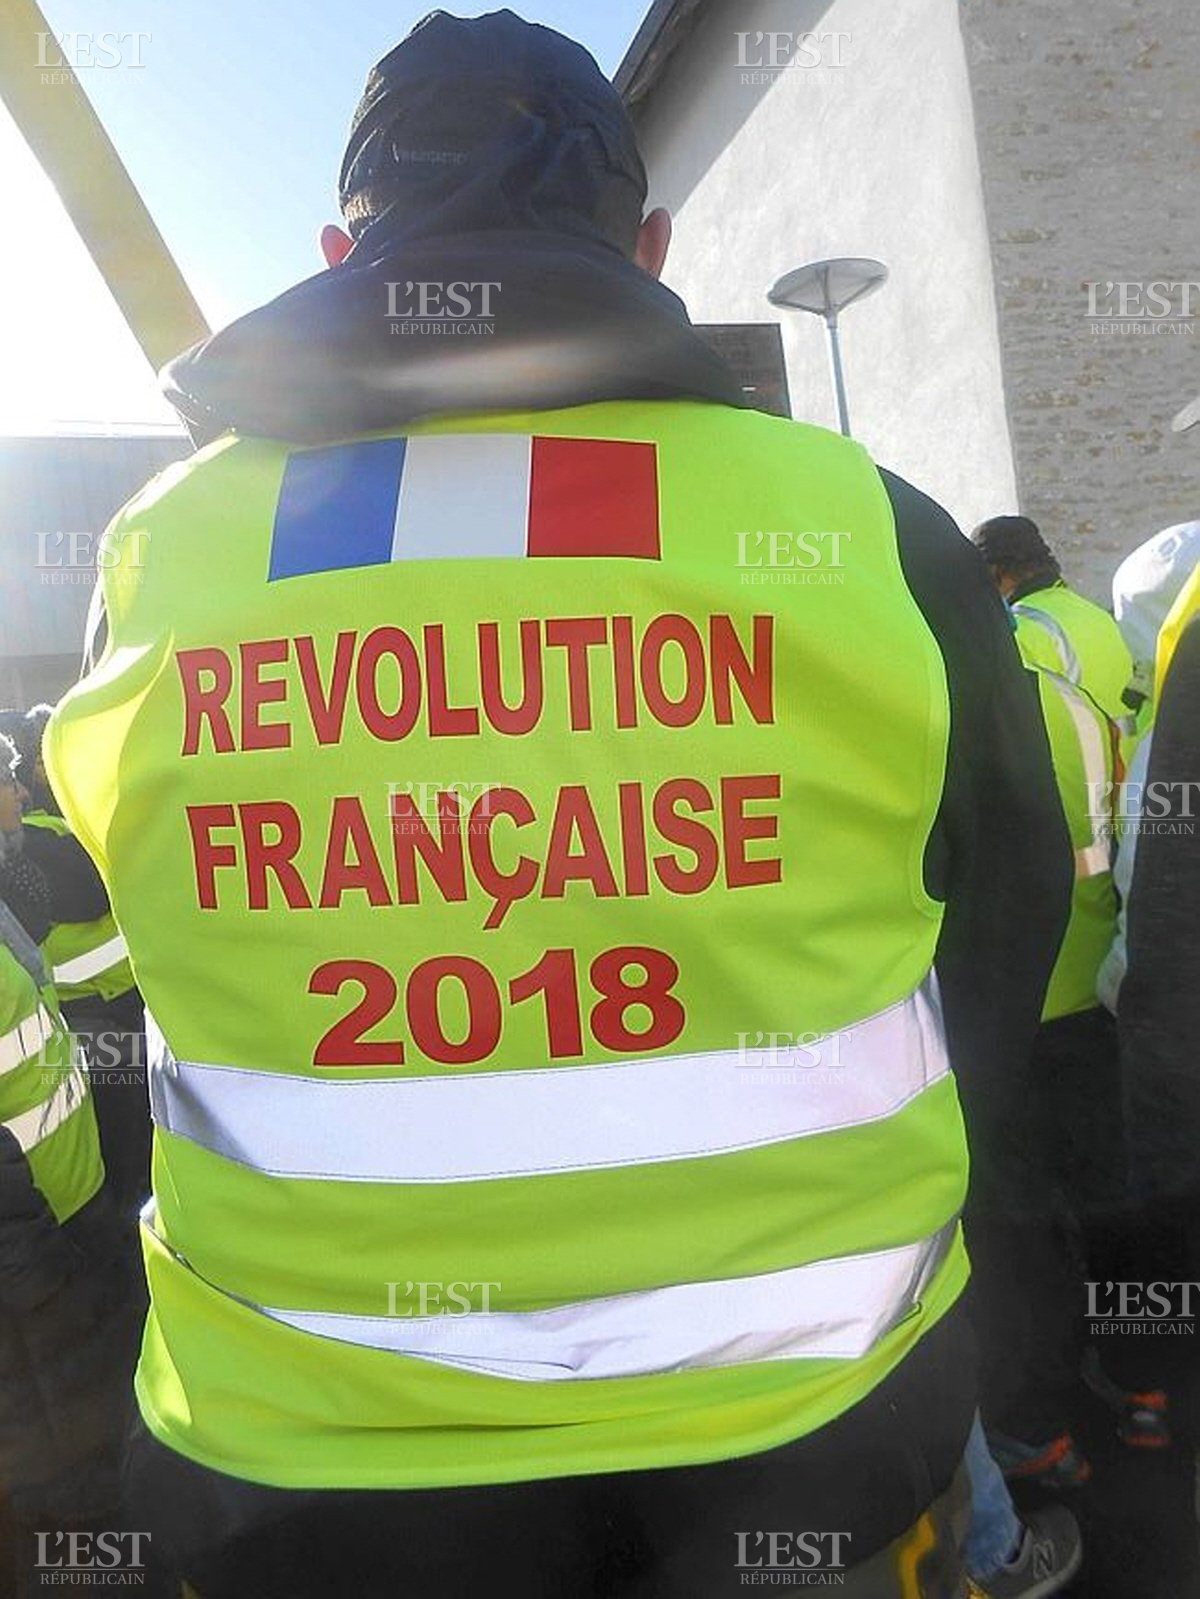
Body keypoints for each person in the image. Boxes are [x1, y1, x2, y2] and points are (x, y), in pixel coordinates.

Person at [46, 13, 1072, 1596]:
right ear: (651, 248)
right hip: (803, 1437)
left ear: (340, 251)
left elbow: (141, 926)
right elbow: (1005, 928)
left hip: (308, 1474)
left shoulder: (152, 560)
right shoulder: (865, 527)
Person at [0, 736, 144, 1594]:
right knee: (65, 1482)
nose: (18, 793)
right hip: (32, 1257)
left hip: (65, 1217)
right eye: (3, 781)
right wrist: (35, 1257)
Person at [0, 707, 150, 1218]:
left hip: (99, 1017)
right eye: (12, 780)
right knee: (129, 1127)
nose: (23, 791)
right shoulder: (42, 838)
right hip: (92, 1021)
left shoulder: (44, 839)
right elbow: (92, 891)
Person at [971, 515, 1134, 724]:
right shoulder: (1099, 615)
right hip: (1129, 744)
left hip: (1073, 746)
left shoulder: (1018, 632)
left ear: (995, 570)